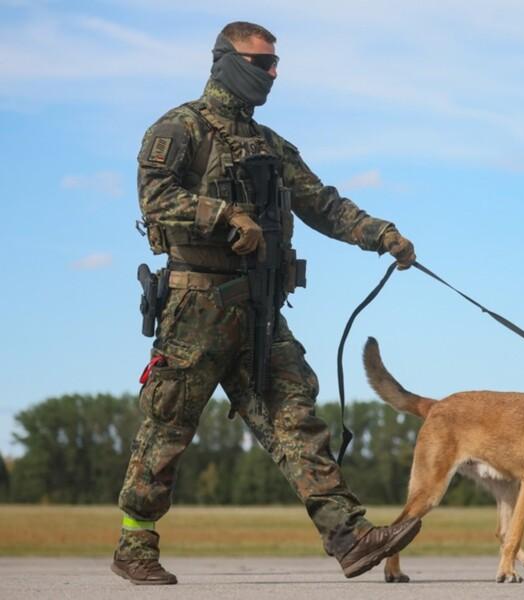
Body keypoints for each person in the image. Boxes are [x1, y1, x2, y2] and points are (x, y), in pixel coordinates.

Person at [112, 21, 420, 585]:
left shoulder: (272, 146)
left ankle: (349, 535)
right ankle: (135, 546)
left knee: (295, 418)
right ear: (226, 61)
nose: (273, 73)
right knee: (167, 427)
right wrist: (224, 214)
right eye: (262, 63)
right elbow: (155, 198)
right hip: (195, 309)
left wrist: (381, 234)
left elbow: (322, 204)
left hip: (258, 311)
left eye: (275, 64)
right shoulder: (179, 128)